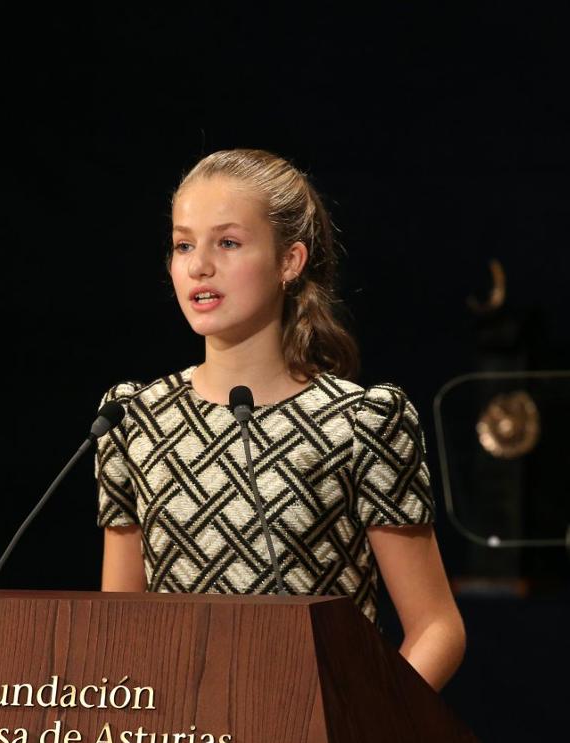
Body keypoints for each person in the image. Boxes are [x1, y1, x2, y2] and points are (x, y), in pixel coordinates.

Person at [94, 148, 465, 691]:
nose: (199, 265)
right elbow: (118, 626)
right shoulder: (134, 417)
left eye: (228, 242)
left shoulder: (361, 423)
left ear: (289, 261)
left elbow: (437, 626)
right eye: (182, 244)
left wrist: (363, 729)